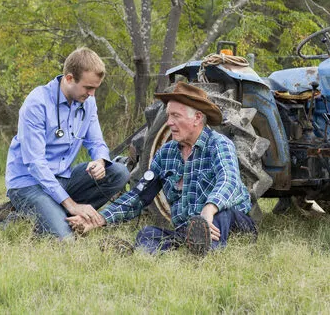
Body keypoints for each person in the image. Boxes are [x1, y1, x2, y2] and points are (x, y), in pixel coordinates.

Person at [67, 82, 257, 255]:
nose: (169, 123)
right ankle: (148, 253)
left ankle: (204, 250)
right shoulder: (165, 153)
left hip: (230, 221)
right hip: (188, 229)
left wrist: (209, 210)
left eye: (175, 116)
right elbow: (139, 196)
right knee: (148, 233)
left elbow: (229, 180)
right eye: (168, 116)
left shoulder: (219, 144)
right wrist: (98, 219)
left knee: (221, 216)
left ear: (197, 118)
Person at [0, 47, 130, 239]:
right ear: (69, 78)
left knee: (118, 172)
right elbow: (35, 164)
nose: (92, 94)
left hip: (63, 178)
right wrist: (72, 204)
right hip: (29, 183)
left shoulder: (88, 101)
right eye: (88, 88)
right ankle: (28, 216)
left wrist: (100, 162)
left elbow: (96, 142)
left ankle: (58, 214)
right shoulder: (37, 103)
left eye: (95, 88)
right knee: (65, 238)